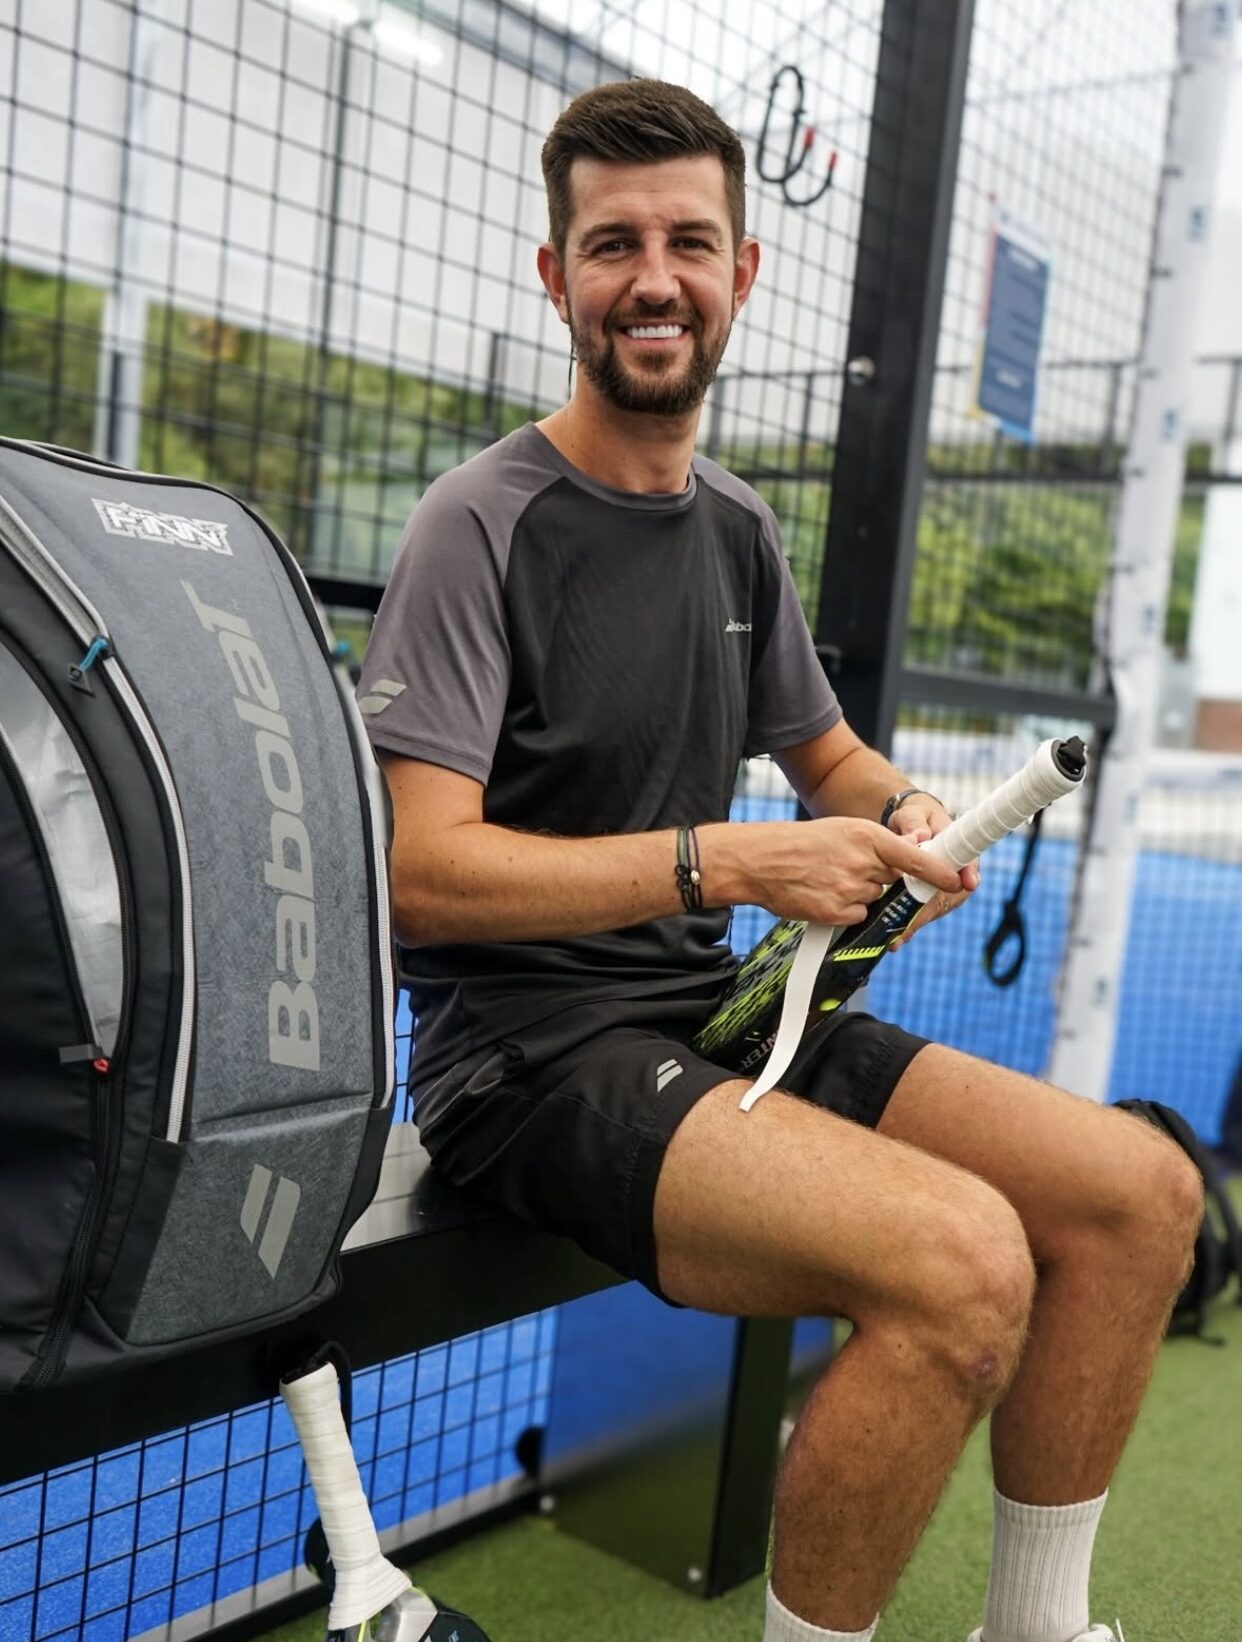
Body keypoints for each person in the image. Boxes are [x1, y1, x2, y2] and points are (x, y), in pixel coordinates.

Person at [357, 78, 1202, 1642]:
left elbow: (830, 759)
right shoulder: (473, 524)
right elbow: (421, 873)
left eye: (690, 239)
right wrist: (731, 863)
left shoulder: (737, 527)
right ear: (558, 278)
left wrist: (904, 820)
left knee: (1137, 1193)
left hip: (724, 1024)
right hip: (523, 1064)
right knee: (959, 1265)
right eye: (612, 245)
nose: (653, 277)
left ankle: (1032, 1622)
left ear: (744, 273)